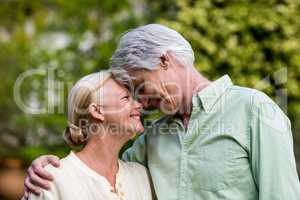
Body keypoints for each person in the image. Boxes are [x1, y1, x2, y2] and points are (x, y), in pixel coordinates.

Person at [24, 24, 300, 199]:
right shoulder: (152, 138)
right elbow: (102, 170)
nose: (141, 102)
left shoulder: (254, 110)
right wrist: (47, 167)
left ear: (164, 60)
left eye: (141, 86)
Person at [23, 71, 153, 200]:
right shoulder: (50, 179)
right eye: (126, 98)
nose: (139, 105)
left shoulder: (142, 176)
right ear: (97, 111)